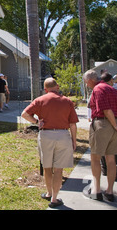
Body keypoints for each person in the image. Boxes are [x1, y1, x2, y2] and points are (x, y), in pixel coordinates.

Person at [21, 78, 78, 208]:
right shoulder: (67, 101)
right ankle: (54, 198)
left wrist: (36, 122)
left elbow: (24, 114)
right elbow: (73, 124)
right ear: (57, 87)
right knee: (59, 169)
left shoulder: (40, 100)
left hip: (46, 134)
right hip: (63, 135)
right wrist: (73, 141)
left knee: (47, 167)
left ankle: (48, 192)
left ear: (45, 89)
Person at [83, 70, 117, 202]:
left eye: (85, 82)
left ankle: (96, 190)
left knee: (95, 157)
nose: (86, 84)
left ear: (90, 80)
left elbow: (106, 110)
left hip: (103, 124)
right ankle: (110, 191)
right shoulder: (113, 90)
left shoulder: (98, 89)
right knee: (111, 159)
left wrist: (114, 125)